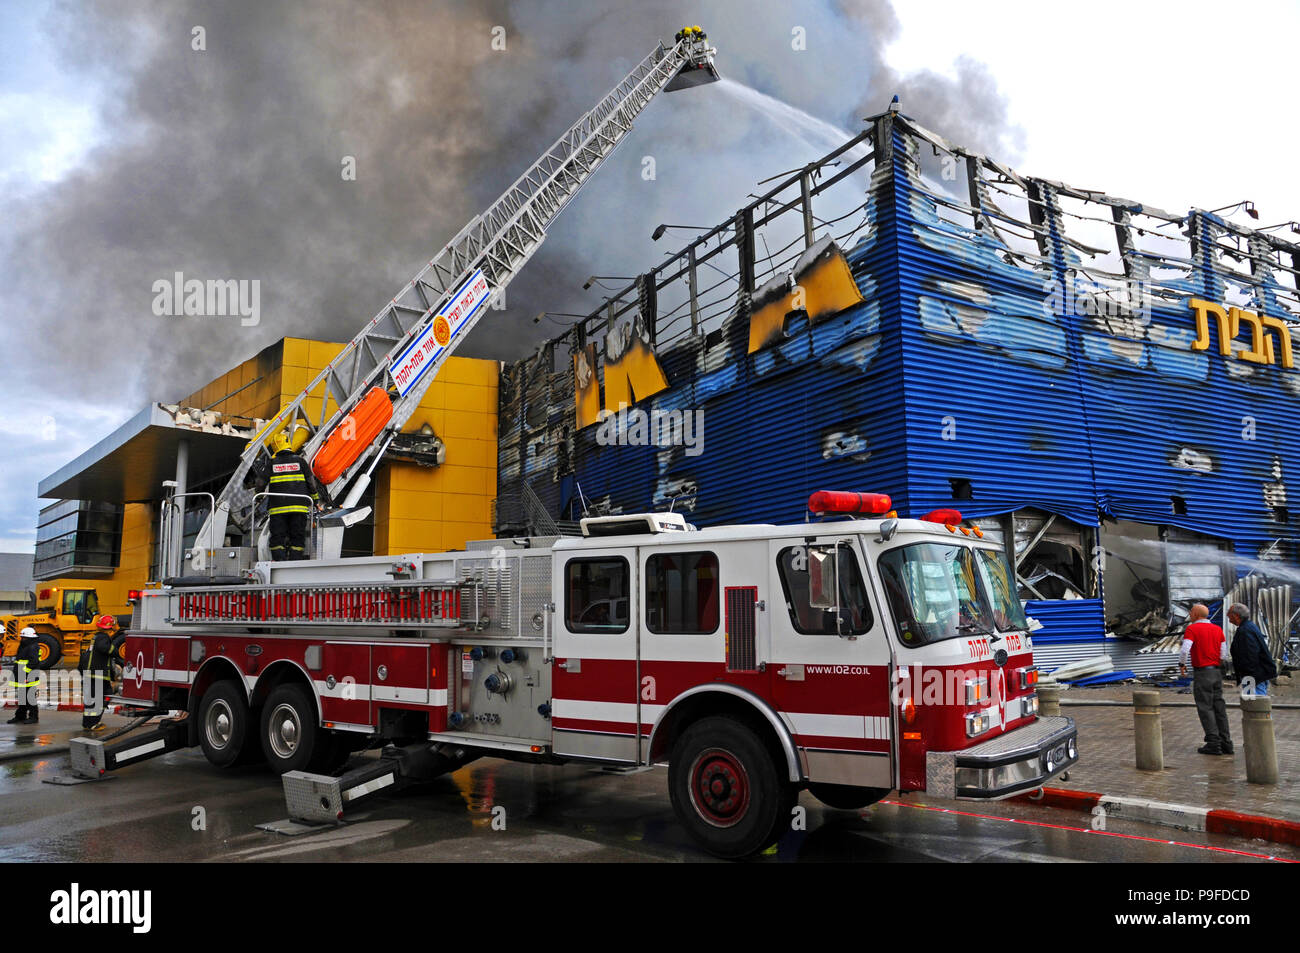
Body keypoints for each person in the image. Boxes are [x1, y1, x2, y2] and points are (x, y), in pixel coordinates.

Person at [1179, 603, 1233, 755]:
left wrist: (1182, 664)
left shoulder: (1192, 629)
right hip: (1216, 672)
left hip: (1202, 673)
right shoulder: (1217, 629)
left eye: (1190, 612)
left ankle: (1213, 743)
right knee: (1219, 706)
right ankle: (1226, 743)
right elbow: (1223, 653)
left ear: (1196, 614)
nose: (1189, 614)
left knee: (1205, 707)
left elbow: (1185, 649)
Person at [264, 429, 320, 561]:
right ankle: (295, 561)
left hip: (278, 509)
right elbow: (311, 483)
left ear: (275, 448)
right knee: (297, 536)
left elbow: (260, 483)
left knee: (277, 537)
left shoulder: (272, 464)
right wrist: (315, 498)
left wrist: (258, 495)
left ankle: (279, 561)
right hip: (299, 507)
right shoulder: (301, 462)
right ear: (288, 444)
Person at [1227, 602, 1277, 697]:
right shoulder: (1248, 627)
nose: (1227, 615)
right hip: (1254, 676)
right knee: (1254, 705)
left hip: (1253, 677)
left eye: (1229, 613)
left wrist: (1248, 677)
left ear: (1236, 616)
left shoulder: (1245, 631)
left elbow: (1250, 655)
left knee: (1255, 706)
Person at [81, 615, 119, 731]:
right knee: (103, 697)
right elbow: (105, 648)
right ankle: (94, 723)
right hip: (98, 676)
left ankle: (87, 723)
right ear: (110, 627)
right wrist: (114, 650)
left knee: (91, 700)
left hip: (90, 675)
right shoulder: (103, 638)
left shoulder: (95, 637)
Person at [6, 627, 41, 725]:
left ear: (30, 638)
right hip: (21, 675)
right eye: (22, 637)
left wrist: (25, 674)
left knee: (30, 698)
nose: (22, 639)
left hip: (28, 676)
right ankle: (20, 716)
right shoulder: (25, 646)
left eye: (24, 637)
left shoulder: (33, 647)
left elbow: (33, 662)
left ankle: (33, 717)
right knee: (22, 697)